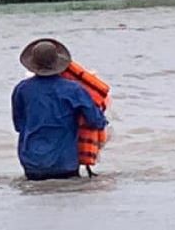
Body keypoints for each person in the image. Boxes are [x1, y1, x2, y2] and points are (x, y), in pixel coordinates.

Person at [12, 38, 108, 182]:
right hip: (65, 163)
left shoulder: (21, 89)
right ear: (58, 63)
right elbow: (95, 121)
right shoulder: (74, 89)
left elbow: (19, 126)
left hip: (31, 164)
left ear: (33, 65)